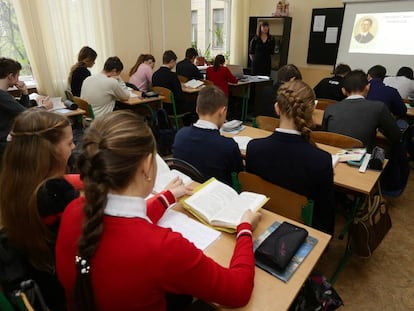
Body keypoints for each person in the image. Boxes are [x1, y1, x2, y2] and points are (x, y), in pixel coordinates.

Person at [55, 110, 260, 311]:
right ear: (146, 165)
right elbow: (237, 291)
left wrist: (166, 196)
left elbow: (124, 222)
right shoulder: (163, 248)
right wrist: (244, 230)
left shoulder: (73, 210)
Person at [0, 109, 78, 310]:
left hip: (36, 269)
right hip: (62, 289)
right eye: (69, 143)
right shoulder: (55, 194)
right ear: (49, 151)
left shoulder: (16, 180)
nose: (74, 146)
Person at [246, 80, 335, 235]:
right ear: (311, 110)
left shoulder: (253, 148)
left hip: (262, 221)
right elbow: (325, 216)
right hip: (301, 231)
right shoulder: (321, 160)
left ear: (276, 108)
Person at [173, 85, 243, 186]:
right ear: (222, 111)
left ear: (197, 109)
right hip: (217, 196)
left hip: (186, 191)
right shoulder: (228, 146)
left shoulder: (180, 135)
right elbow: (239, 176)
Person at [322, 69, 401, 152]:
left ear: (343, 91)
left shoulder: (330, 108)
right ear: (367, 87)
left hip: (333, 155)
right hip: (361, 159)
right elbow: (396, 136)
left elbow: (324, 136)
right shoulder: (379, 107)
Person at [0, 57, 52, 162]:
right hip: (4, 144)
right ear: (11, 76)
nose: (18, 80)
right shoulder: (2, 96)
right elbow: (26, 115)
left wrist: (24, 93)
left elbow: (19, 109)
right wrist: (44, 107)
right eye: (17, 76)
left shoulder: (3, 95)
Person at [152, 50, 190, 114]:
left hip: (161, 107)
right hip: (173, 108)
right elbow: (179, 96)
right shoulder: (172, 76)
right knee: (193, 104)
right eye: (175, 62)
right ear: (172, 61)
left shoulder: (155, 74)